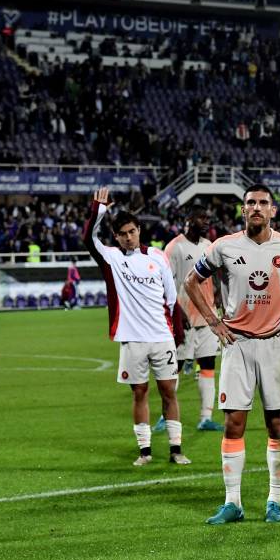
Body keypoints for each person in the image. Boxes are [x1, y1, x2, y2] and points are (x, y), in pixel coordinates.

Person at [184, 183, 280, 526]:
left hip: (276, 346)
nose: (256, 208)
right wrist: (211, 320)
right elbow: (192, 281)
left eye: (263, 203)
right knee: (234, 423)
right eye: (250, 203)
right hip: (237, 344)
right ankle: (232, 502)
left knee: (276, 424)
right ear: (242, 209)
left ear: (273, 210)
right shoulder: (224, 247)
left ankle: (274, 501)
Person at [83, 188, 190, 467]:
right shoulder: (112, 258)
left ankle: (176, 449)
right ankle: (145, 451)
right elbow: (88, 238)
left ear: (139, 230)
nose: (128, 237)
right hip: (132, 340)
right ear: (116, 237)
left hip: (162, 337)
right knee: (139, 392)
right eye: (122, 234)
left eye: (132, 231)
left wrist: (177, 335)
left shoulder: (157, 256)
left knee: (169, 391)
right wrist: (99, 209)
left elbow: (171, 298)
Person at [164, 206, 225, 432]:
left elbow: (215, 275)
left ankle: (205, 418)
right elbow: (166, 284)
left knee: (208, 365)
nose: (206, 222)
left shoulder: (208, 246)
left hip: (208, 318)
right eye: (202, 218)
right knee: (175, 367)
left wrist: (217, 295)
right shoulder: (175, 248)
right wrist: (177, 313)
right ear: (188, 220)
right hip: (185, 318)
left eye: (208, 218)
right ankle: (166, 415)